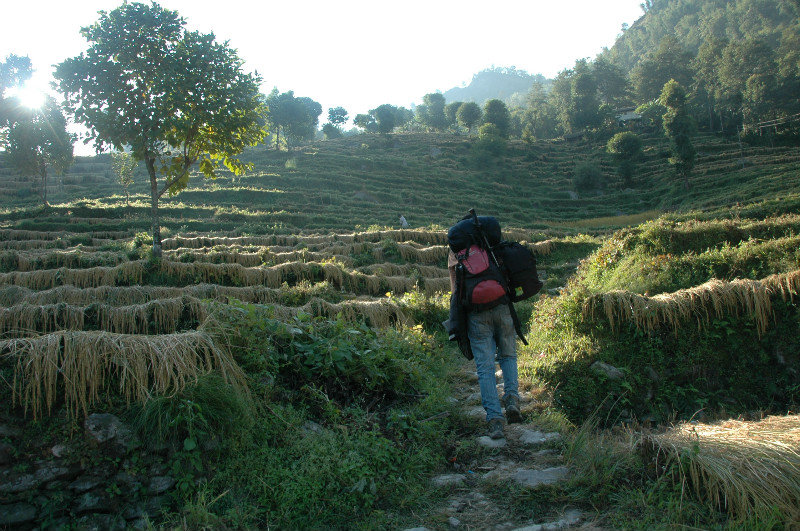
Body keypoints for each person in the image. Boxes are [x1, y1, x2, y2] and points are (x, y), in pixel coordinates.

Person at [449, 250, 522, 440]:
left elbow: (455, 287)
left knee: (485, 368)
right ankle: (512, 399)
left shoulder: (457, 249)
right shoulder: (489, 242)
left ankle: (495, 420)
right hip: (502, 306)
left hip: (477, 313)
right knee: (508, 356)